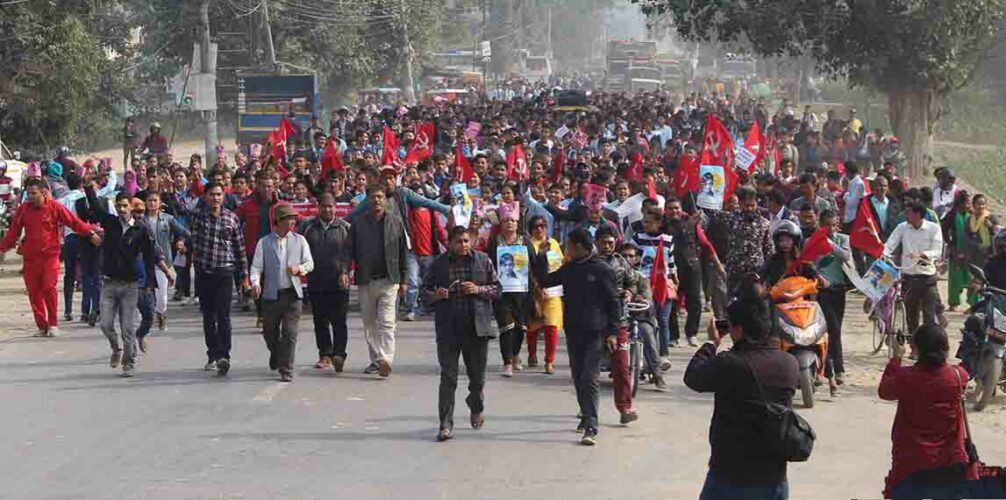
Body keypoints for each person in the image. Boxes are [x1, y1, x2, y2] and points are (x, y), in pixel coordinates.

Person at [684, 292, 799, 500]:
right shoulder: (789, 364)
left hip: (730, 475)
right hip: (773, 476)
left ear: (738, 330)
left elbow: (693, 377)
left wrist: (711, 343)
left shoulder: (731, 363)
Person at [878, 324, 1006, 499]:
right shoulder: (958, 376)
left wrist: (896, 358)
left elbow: (885, 391)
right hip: (950, 462)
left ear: (916, 349)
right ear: (945, 349)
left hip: (910, 462)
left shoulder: (905, 377)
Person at [530, 228, 621, 446]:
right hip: (573, 330)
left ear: (579, 247)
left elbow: (614, 303)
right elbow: (545, 281)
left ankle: (591, 425)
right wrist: (541, 255)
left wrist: (613, 332)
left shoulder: (602, 270)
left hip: (595, 332)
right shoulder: (569, 269)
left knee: (590, 377)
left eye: (568, 245)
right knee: (578, 375)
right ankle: (585, 411)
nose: (566, 250)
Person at [422, 226, 502, 442]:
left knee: (477, 379)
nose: (463, 245)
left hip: (476, 329)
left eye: (467, 241)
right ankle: (445, 424)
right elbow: (424, 293)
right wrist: (436, 294)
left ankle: (476, 405)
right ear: (449, 243)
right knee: (448, 377)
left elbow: (497, 289)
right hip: (449, 328)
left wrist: (479, 290)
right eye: (459, 241)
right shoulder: (438, 264)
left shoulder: (483, 261)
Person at [0, 178, 100, 337]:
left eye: (34, 193)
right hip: (30, 258)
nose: (31, 197)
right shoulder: (23, 210)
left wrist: (90, 233)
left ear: (44, 192)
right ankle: (42, 326)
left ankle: (53, 324)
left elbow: (74, 222)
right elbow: (13, 233)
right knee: (34, 293)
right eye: (28, 194)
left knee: (48, 288)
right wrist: (2, 248)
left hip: (50, 256)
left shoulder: (55, 207)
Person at [88, 190, 170, 377]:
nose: (122, 209)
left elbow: (150, 257)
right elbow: (95, 206)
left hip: (131, 285)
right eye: (119, 206)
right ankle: (116, 349)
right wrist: (88, 187)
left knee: (127, 327)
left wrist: (150, 282)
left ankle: (129, 362)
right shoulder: (110, 223)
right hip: (109, 283)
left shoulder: (141, 230)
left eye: (125, 206)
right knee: (106, 324)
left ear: (132, 207)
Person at [188, 182, 248, 376]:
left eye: (219, 195)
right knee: (208, 316)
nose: (215, 198)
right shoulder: (197, 216)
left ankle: (224, 356)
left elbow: (239, 248)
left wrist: (244, 275)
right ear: (205, 196)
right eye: (212, 194)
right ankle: (212, 354)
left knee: (223, 316)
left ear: (224, 197)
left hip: (225, 272)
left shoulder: (231, 218)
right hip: (204, 273)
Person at [249, 203, 315, 382]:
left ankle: (286, 368)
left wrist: (300, 269)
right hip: (272, 295)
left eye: (293, 218)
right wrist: (255, 283)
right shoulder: (264, 242)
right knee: (269, 331)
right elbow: (256, 267)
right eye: (288, 219)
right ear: (278, 221)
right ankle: (276, 353)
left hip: (293, 295)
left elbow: (310, 263)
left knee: (290, 332)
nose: (292, 222)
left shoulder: (300, 240)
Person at [349, 183, 407, 378]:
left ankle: (385, 360)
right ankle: (375, 360)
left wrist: (404, 279)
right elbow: (349, 251)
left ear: (385, 199)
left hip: (389, 279)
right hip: (365, 280)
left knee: (387, 322)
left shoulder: (396, 222)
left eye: (380, 197)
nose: (377, 200)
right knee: (369, 323)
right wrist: (344, 271)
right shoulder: (357, 224)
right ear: (367, 200)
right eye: (373, 197)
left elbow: (402, 252)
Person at [299, 193, 352, 372]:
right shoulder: (308, 227)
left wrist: (344, 271)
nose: (327, 210)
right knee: (320, 321)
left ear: (335, 207)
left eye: (330, 206)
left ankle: (339, 354)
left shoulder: (345, 227)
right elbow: (300, 251)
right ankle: (325, 354)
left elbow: (349, 253)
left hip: (339, 283)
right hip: (316, 282)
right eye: (324, 206)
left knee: (339, 321)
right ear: (318, 207)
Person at [884, 202, 944, 342]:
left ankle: (929, 345)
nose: (906, 215)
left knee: (929, 315)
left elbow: (937, 249)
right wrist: (884, 254)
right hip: (909, 276)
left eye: (908, 212)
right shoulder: (902, 228)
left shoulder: (933, 229)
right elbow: (890, 243)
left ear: (917, 214)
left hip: (927, 277)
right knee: (911, 314)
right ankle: (914, 345)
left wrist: (924, 255)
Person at [486, 203, 532, 377]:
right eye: (506, 220)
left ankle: (515, 355)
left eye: (512, 220)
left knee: (520, 328)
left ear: (517, 222)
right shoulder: (494, 241)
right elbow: (488, 265)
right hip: (502, 293)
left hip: (523, 292)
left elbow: (534, 264)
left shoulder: (525, 241)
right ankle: (507, 363)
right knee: (506, 327)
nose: (510, 224)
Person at [815, 210, 852, 392]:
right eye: (827, 225)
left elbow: (846, 256)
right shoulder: (812, 241)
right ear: (820, 225)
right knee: (831, 329)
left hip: (839, 290)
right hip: (822, 291)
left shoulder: (843, 239)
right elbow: (811, 264)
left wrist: (830, 244)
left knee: (835, 330)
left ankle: (831, 368)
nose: (831, 229)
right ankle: (836, 370)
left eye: (834, 225)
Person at [143, 191, 188, 330]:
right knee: (146, 295)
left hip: (164, 263)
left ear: (160, 203)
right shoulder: (140, 220)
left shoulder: (168, 219)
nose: (152, 203)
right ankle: (148, 320)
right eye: (149, 200)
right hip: (145, 262)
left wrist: (181, 241)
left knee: (162, 296)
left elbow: (183, 232)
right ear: (145, 202)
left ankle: (161, 313)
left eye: (155, 200)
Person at [525, 215, 563, 374]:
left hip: (553, 290)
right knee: (533, 325)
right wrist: (537, 289)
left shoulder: (553, 243)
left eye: (542, 226)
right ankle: (532, 354)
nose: (539, 229)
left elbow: (560, 264)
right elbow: (526, 268)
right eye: (535, 226)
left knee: (551, 325)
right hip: (533, 290)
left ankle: (549, 361)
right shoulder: (527, 244)